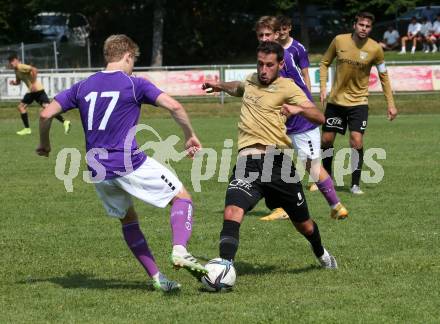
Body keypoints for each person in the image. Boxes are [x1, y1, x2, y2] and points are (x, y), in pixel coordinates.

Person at [36, 34, 207, 292]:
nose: (133, 65)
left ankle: (158, 278)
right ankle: (180, 250)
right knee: (182, 197)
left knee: (128, 220)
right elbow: (174, 106)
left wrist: (45, 144)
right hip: (128, 162)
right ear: (128, 55)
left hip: (98, 169)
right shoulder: (133, 83)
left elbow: (45, 113)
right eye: (133, 60)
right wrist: (190, 136)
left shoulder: (82, 86)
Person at [202, 41, 338, 273]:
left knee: (304, 226)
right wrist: (219, 86)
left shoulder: (289, 86)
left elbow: (319, 117)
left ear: (280, 64)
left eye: (269, 65)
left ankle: (321, 252)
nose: (263, 70)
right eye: (260, 64)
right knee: (232, 210)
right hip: (248, 162)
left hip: (278, 166)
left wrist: (299, 109)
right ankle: (224, 266)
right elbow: (238, 87)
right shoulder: (251, 79)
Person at [255, 16, 348, 221]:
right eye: (260, 35)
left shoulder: (283, 58)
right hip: (282, 119)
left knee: (312, 165)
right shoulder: (268, 58)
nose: (264, 38)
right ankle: (281, 207)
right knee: (270, 159)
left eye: (268, 34)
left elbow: (291, 88)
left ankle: (336, 205)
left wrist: (298, 108)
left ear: (277, 34)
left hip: (299, 119)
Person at [320, 12, 398, 195]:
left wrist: (391, 104)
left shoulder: (375, 49)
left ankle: (355, 184)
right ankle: (327, 179)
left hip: (359, 102)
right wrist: (323, 87)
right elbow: (324, 63)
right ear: (354, 24)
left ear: (371, 28)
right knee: (326, 140)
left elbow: (384, 76)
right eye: (361, 24)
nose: (364, 28)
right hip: (336, 102)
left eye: (368, 26)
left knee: (356, 141)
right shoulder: (339, 40)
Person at [8, 54, 71, 135]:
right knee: (43, 108)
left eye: (12, 61)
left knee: (24, 107)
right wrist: (14, 83)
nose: (11, 63)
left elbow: (34, 69)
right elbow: (18, 81)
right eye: (10, 62)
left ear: (17, 60)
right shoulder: (16, 70)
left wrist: (33, 83)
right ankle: (65, 122)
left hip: (36, 90)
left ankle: (27, 129)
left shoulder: (20, 66)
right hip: (33, 91)